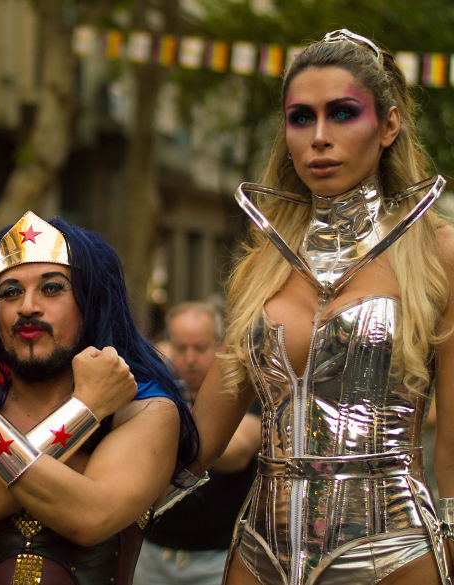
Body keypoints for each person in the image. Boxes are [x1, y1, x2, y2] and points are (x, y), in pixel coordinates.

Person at [189, 29, 454, 585]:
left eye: (342, 113)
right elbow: (199, 441)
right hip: (260, 554)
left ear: (387, 125)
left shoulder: (439, 254)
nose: (320, 137)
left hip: (394, 553)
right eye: (301, 118)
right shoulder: (260, 269)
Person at [0, 210, 200, 585]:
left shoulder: (147, 409)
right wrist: (86, 412)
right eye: (10, 291)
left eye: (52, 288)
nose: (28, 306)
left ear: (89, 303)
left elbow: (90, 517)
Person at [134, 301, 260, 585]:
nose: (189, 359)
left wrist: (169, 419)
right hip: (152, 553)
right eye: (180, 348)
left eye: (200, 348)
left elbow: (237, 451)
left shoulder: (242, 392)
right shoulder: (154, 389)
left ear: (219, 345)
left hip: (217, 558)